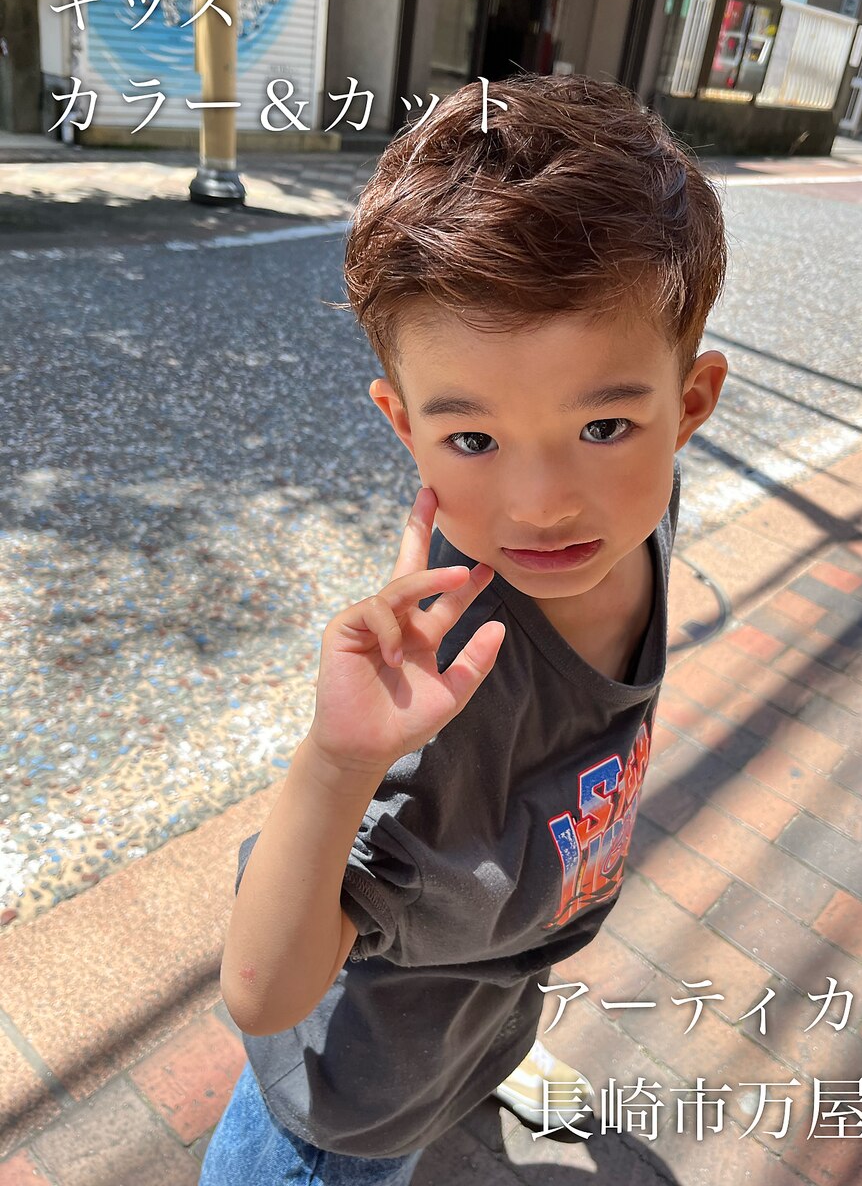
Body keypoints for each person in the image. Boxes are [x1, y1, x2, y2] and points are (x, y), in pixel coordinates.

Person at [199, 72, 728, 1185]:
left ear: (689, 406)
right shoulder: (439, 691)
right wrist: (340, 759)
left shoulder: (642, 515)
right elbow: (265, 989)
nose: (544, 505)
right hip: (351, 1108)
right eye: (474, 440)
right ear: (404, 424)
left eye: (602, 424)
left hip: (480, 1014)